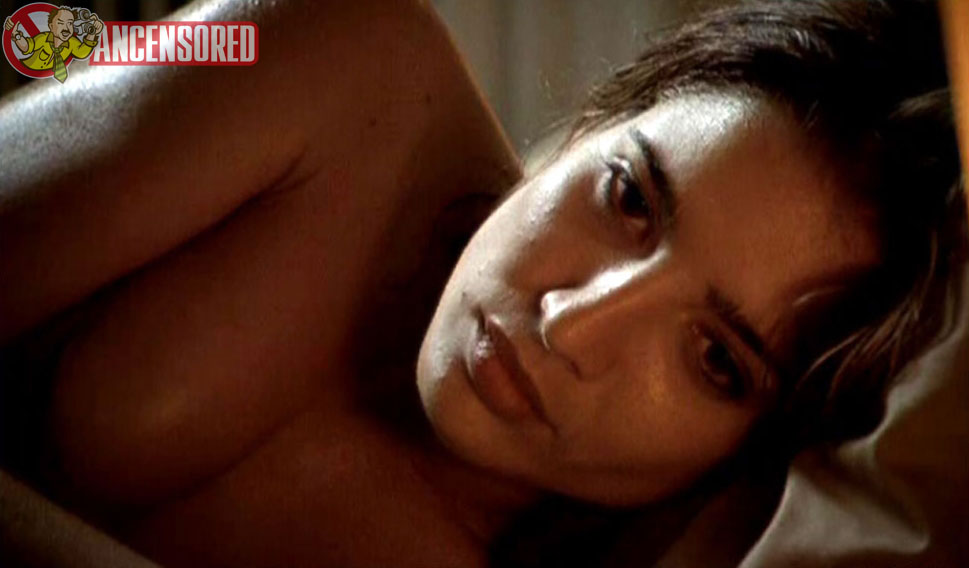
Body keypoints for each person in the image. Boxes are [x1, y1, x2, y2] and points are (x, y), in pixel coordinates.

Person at [0, 0, 963, 566]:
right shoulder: (343, 49)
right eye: (628, 197)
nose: (571, 322)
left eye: (715, 360)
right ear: (594, 123)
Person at [4, 6, 104, 82]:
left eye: (70, 23)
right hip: (27, 78)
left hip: (53, 84)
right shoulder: (43, 38)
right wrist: (16, 35)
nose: (66, 28)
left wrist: (93, 33)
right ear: (51, 27)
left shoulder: (71, 42)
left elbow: (82, 52)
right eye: (60, 23)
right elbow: (26, 47)